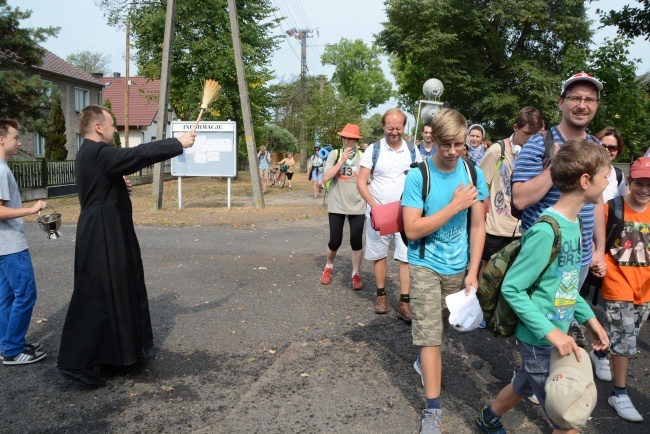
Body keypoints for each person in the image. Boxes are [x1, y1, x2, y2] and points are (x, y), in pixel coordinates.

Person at [475, 140, 611, 434]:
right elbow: (512, 288)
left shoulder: (576, 225)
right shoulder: (546, 230)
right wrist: (550, 333)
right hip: (539, 338)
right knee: (565, 415)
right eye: (605, 176)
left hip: (554, 335)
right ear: (585, 181)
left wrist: (590, 320)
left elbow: (568, 286)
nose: (609, 182)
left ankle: (488, 418)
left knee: (523, 383)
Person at [57, 105, 196, 388]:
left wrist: (118, 186)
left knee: (117, 290)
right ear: (98, 127)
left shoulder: (90, 154)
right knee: (96, 293)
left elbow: (100, 183)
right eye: (111, 125)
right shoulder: (97, 152)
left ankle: (117, 353)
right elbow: (137, 155)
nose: (114, 130)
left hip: (108, 228)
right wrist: (177, 143)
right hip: (103, 233)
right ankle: (76, 361)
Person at [402, 108, 488, 434]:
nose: (453, 152)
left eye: (459, 145)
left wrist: (473, 270)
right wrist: (453, 206)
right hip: (424, 265)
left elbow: (478, 225)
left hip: (457, 267)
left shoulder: (473, 174)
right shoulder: (418, 176)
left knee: (441, 331)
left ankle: (426, 362)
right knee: (430, 340)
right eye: (446, 145)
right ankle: (433, 411)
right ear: (433, 140)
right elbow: (411, 230)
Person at [512, 72, 607, 347]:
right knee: (539, 329)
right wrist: (559, 164)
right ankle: (535, 377)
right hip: (545, 255)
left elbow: (598, 202)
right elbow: (519, 200)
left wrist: (598, 249)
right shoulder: (539, 144)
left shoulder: (597, 147)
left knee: (562, 317)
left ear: (596, 105)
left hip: (579, 256)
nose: (582, 104)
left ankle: (539, 377)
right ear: (561, 102)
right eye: (575, 97)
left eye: (589, 99)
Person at [589, 157, 650, 422]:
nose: (644, 189)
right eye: (639, 182)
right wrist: (596, 258)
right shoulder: (612, 207)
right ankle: (619, 393)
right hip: (617, 281)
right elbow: (593, 237)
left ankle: (600, 351)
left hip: (645, 288)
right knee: (626, 341)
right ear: (630, 182)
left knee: (626, 335)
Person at [357, 108, 422, 322]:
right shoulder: (373, 150)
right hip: (379, 214)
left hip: (406, 214)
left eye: (399, 127)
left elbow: (422, 178)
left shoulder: (413, 150)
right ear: (383, 126)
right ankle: (381, 296)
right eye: (390, 127)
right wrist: (375, 206)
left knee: (406, 257)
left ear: (404, 127)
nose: (394, 132)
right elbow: (361, 181)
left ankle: (404, 303)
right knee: (378, 255)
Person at [0, 118, 48, 365]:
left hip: (4, 246)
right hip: (10, 246)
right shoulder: (0, 170)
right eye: (16, 137)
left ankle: (9, 344)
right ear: (1, 139)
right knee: (26, 295)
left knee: (6, 298)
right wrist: (32, 209)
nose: (19, 142)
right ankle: (12, 350)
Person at [479, 107, 543, 270]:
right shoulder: (497, 151)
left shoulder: (538, 154)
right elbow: (479, 187)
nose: (531, 139)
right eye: (527, 133)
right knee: (488, 276)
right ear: (515, 128)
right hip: (497, 229)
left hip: (525, 229)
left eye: (535, 135)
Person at [320, 124, 366, 290]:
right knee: (335, 240)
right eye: (344, 138)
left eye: (350, 138)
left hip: (358, 204)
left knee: (356, 240)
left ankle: (355, 274)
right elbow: (326, 177)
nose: (346, 141)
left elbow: (369, 181)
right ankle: (329, 266)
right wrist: (342, 161)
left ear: (356, 141)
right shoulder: (335, 154)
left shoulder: (363, 157)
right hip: (337, 204)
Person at [596, 127, 627, 203]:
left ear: (618, 150)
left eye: (612, 147)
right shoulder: (584, 171)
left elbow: (624, 202)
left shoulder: (618, 175)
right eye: (602, 146)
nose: (606, 150)